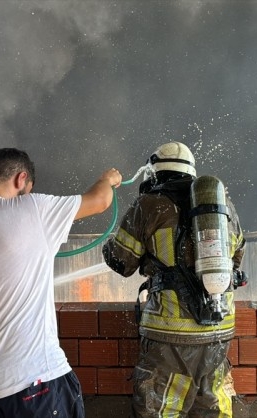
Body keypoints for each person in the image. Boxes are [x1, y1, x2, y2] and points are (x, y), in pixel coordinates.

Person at [0, 148, 121, 417]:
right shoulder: (31, 208)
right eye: (28, 189)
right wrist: (108, 179)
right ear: (21, 179)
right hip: (37, 381)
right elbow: (101, 200)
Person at [102, 141, 246, 417]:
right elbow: (236, 258)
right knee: (211, 406)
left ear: (154, 173)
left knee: (161, 407)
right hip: (218, 331)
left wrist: (113, 246)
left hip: (170, 336)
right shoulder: (222, 207)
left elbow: (121, 262)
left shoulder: (150, 205)